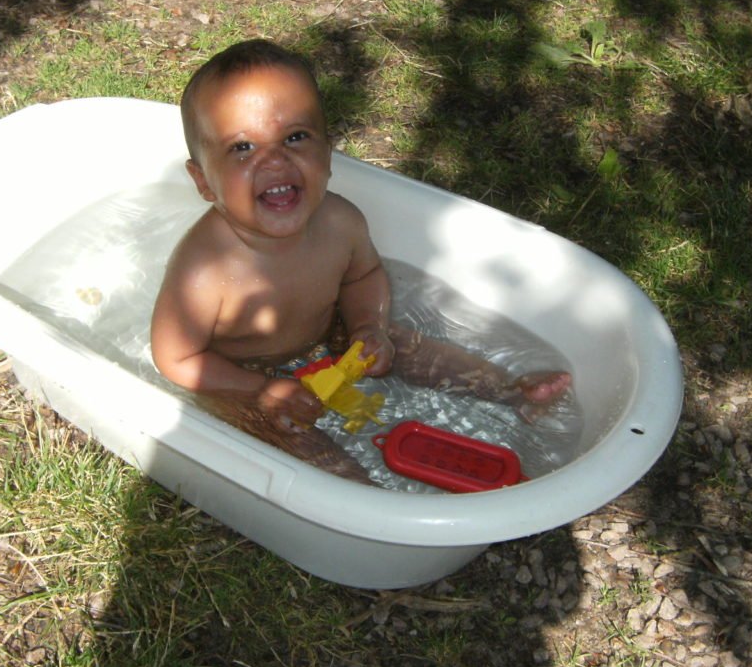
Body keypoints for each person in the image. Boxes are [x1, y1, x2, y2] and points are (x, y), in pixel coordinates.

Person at [151, 39, 570, 483]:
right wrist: (260, 390)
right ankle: (357, 491)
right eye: (242, 148)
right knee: (285, 433)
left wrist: (367, 327)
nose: (275, 159)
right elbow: (176, 358)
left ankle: (510, 391)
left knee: (403, 342)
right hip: (242, 375)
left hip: (327, 337)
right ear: (204, 182)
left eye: (295, 137)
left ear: (328, 153)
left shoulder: (340, 222)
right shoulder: (205, 270)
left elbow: (364, 276)